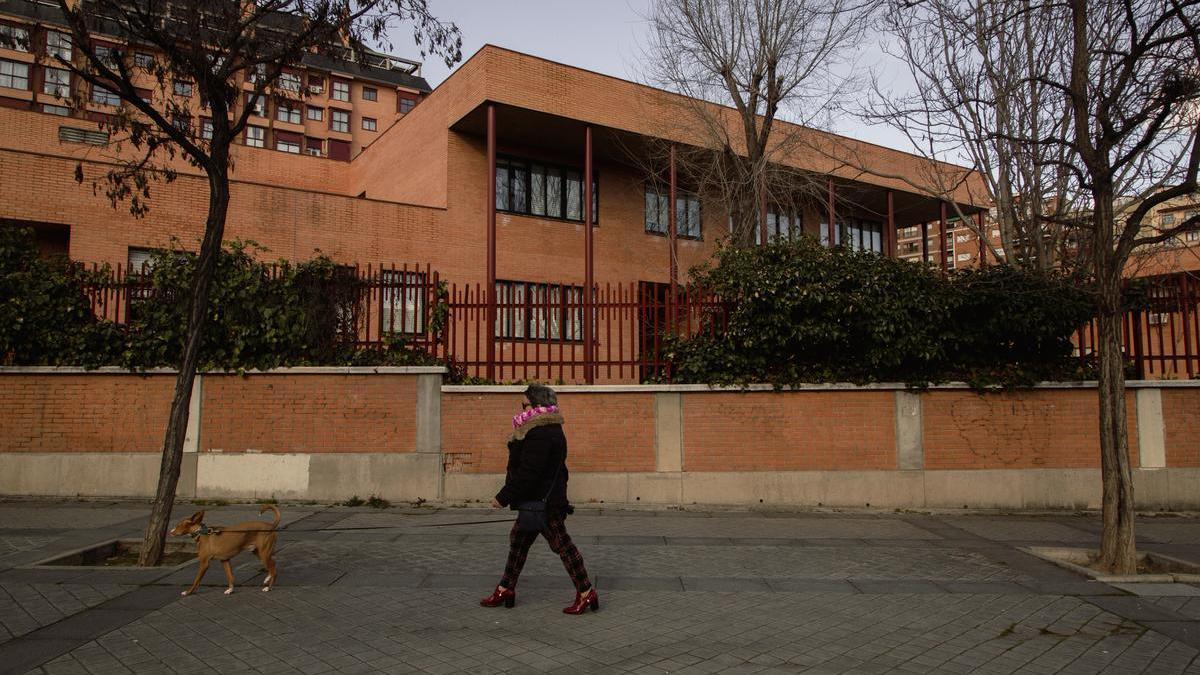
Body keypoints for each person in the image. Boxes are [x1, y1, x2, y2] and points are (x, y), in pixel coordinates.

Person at [480, 384, 598, 614]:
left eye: (524, 405)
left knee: (562, 546)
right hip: (538, 501)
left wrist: (503, 497)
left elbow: (529, 473)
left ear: (537, 406)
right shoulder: (542, 428)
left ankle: (586, 592)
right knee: (519, 542)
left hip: (543, 503)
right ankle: (506, 588)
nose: (521, 410)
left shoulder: (540, 432)